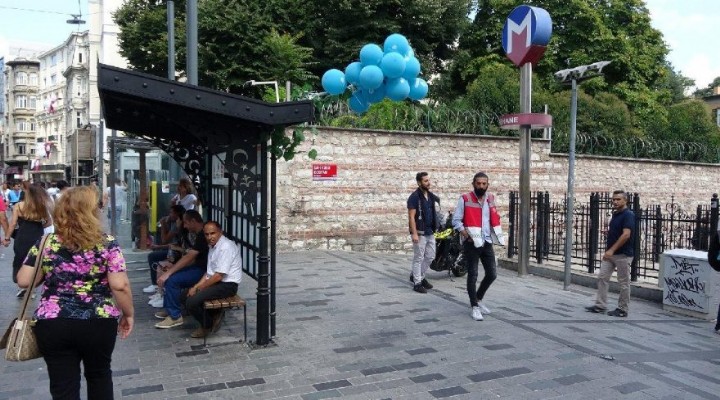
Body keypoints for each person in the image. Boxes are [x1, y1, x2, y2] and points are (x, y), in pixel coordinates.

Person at [16, 186, 134, 400]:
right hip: (97, 320)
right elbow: (120, 285)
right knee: (99, 376)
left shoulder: (46, 243)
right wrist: (129, 314)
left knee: (63, 386)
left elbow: (23, 280)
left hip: (53, 322)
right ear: (92, 211)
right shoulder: (107, 243)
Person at [452, 172, 505, 321]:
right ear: (473, 184)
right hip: (471, 242)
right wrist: (464, 233)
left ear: (488, 184)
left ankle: (479, 298)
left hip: (486, 241)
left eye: (484, 183)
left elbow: (493, 217)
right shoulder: (465, 199)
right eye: (478, 183)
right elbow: (456, 220)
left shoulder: (491, 199)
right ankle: (474, 307)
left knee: (492, 274)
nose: (481, 186)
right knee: (473, 275)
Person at [182, 221, 243, 338]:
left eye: (213, 233)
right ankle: (213, 315)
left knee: (191, 302)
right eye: (206, 234)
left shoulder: (226, 247)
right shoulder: (212, 246)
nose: (210, 237)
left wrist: (199, 288)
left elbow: (219, 275)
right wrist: (195, 286)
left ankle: (207, 325)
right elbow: (209, 273)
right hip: (217, 282)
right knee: (184, 296)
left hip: (228, 285)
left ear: (220, 232)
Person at [154, 209, 209, 329]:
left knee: (172, 280)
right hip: (199, 267)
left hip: (205, 271)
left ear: (193, 221)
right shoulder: (199, 234)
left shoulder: (204, 233)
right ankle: (170, 309)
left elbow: (191, 256)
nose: (184, 226)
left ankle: (175, 316)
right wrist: (172, 269)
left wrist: (169, 272)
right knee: (171, 276)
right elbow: (193, 257)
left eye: (186, 223)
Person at [586, 190, 635, 317]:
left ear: (625, 200)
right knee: (602, 277)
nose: (615, 201)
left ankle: (622, 309)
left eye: (618, 199)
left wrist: (612, 250)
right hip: (611, 254)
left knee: (623, 282)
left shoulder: (628, 215)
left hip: (623, 254)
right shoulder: (615, 214)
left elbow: (626, 235)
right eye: (613, 199)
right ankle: (600, 305)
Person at [4, 184, 53, 297]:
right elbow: (48, 222)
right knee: (33, 261)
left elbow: (12, 224)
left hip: (22, 236)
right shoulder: (42, 206)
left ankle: (20, 284)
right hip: (37, 235)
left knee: (19, 259)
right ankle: (32, 289)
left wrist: (7, 238)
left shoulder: (19, 206)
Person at [407, 172, 441, 293]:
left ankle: (418, 276)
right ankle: (417, 283)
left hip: (430, 231)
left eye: (428, 180)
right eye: (425, 181)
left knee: (431, 256)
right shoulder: (414, 197)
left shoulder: (430, 196)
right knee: (419, 257)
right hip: (420, 232)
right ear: (419, 182)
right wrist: (414, 233)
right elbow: (411, 217)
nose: (428, 182)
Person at [143, 204, 186, 298]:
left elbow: (165, 240)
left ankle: (160, 290)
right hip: (173, 249)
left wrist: (163, 225)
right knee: (153, 256)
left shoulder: (179, 224)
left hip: (178, 252)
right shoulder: (173, 222)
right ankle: (156, 286)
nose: (169, 214)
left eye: (171, 212)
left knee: (154, 257)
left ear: (177, 214)